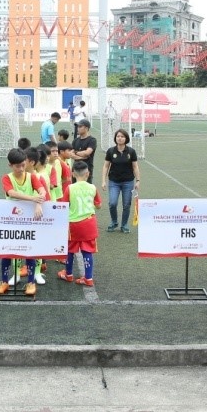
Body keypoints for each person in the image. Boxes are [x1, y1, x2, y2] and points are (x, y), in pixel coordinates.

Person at [0, 148, 46, 296]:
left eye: (23, 165)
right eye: (18, 166)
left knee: (29, 251)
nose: (22, 168)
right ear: (10, 165)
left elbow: (42, 190)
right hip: (11, 220)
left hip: (27, 220)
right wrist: (33, 198)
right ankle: (4, 281)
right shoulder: (6, 178)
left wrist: (38, 202)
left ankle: (30, 282)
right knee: (7, 251)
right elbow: (12, 193)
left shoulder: (31, 177)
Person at [58, 160, 101, 288]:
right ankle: (88, 278)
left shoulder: (70, 188)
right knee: (87, 251)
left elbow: (64, 205)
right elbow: (99, 205)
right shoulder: (93, 187)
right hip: (89, 223)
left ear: (73, 174)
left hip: (74, 224)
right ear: (88, 173)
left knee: (70, 250)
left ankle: (68, 274)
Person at [102, 128, 139, 233]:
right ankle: (114, 222)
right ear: (115, 138)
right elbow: (106, 166)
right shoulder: (110, 151)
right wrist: (103, 180)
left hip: (128, 182)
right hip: (114, 182)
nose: (120, 138)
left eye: (122, 136)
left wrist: (138, 180)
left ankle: (124, 225)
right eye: (118, 136)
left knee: (126, 204)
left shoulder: (131, 151)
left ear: (126, 138)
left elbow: (135, 167)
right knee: (112, 203)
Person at [71, 119, 97, 183]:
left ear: (86, 128)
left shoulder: (92, 140)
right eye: (78, 127)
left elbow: (87, 153)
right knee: (74, 187)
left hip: (86, 170)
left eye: (80, 126)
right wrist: (81, 157)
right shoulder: (75, 140)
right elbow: (71, 154)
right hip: (75, 169)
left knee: (87, 188)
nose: (78, 128)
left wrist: (75, 153)